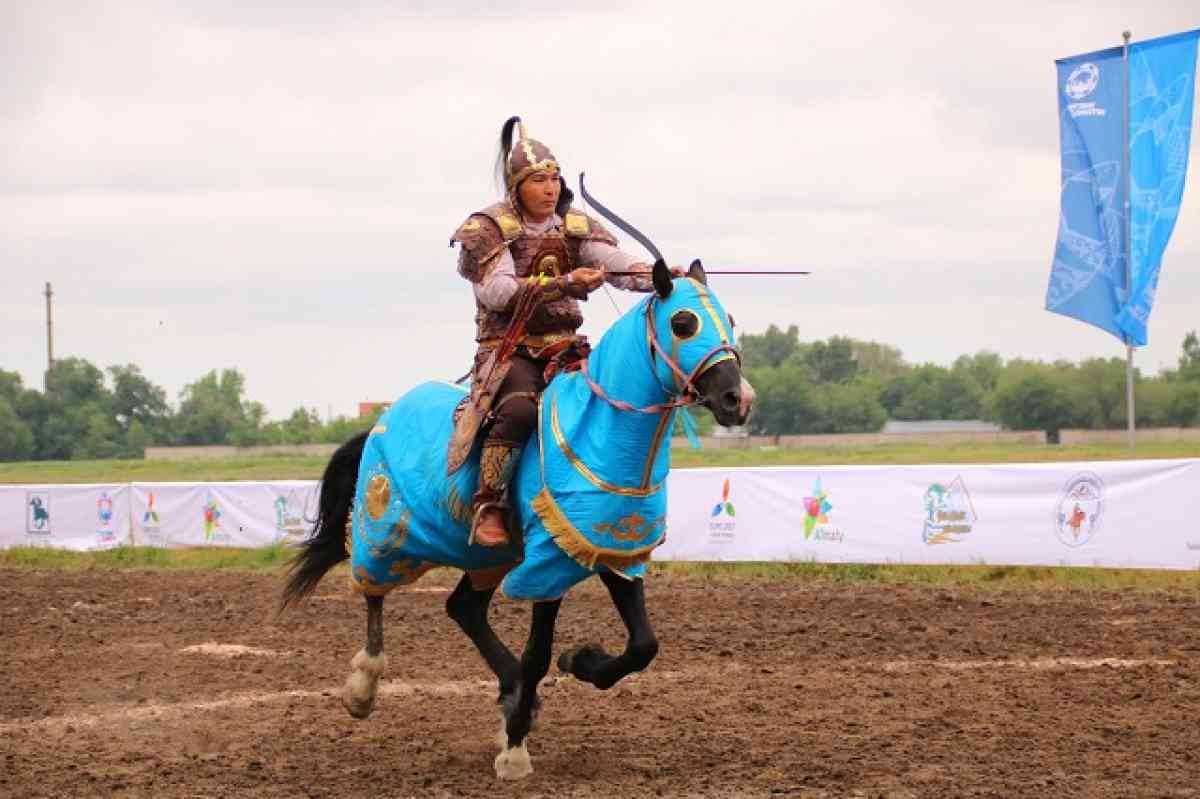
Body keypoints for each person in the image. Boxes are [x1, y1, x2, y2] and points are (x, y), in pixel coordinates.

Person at [448, 116, 671, 548]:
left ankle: (612, 502)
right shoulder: (489, 229)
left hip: (565, 346)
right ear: (517, 187)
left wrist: (658, 275)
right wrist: (565, 284)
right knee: (517, 410)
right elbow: (497, 293)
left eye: (554, 179)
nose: (550, 188)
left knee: (610, 399)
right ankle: (489, 502)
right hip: (508, 350)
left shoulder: (572, 225)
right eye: (538, 180)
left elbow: (614, 263)